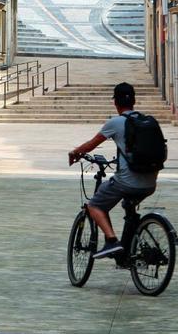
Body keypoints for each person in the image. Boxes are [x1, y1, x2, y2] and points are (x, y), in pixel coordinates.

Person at [67, 82, 158, 259]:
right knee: (128, 206)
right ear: (134, 100)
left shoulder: (116, 122)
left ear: (115, 102)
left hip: (127, 182)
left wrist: (75, 152)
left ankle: (111, 241)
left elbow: (91, 145)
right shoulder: (145, 120)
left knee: (94, 205)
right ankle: (128, 250)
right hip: (150, 182)